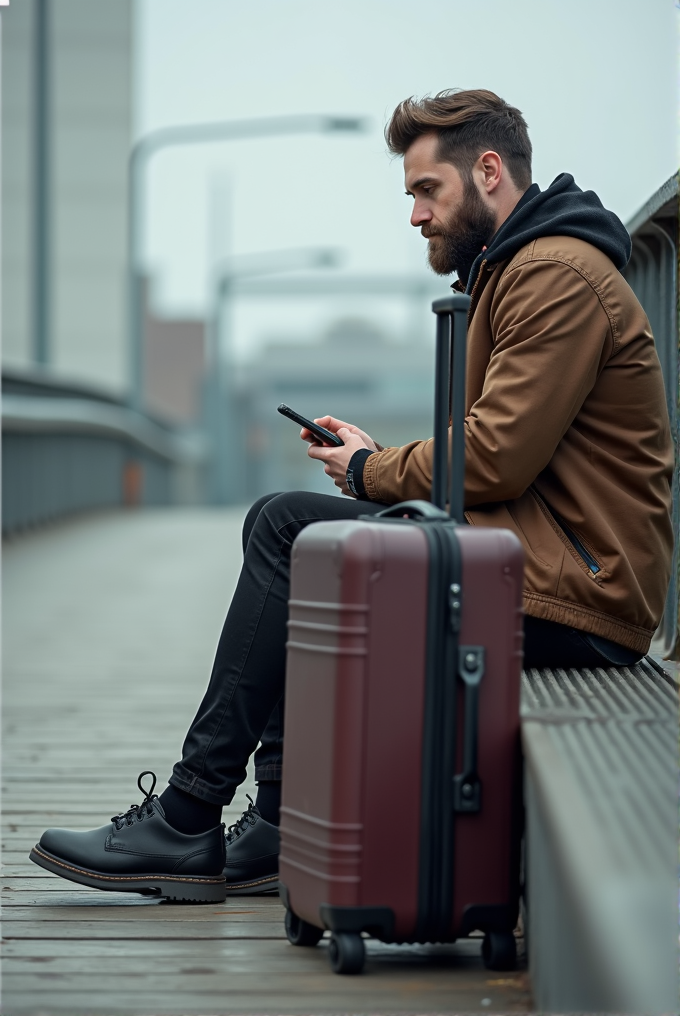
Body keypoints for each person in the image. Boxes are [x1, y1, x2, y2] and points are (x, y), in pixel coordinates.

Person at [30, 89, 674, 903]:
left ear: (487, 172)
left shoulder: (555, 275)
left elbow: (499, 456)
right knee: (291, 530)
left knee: (287, 530)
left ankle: (192, 818)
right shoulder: (522, 266)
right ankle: (261, 822)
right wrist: (376, 460)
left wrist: (373, 473)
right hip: (539, 561)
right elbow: (497, 452)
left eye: (425, 190)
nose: (414, 215)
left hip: (579, 595)